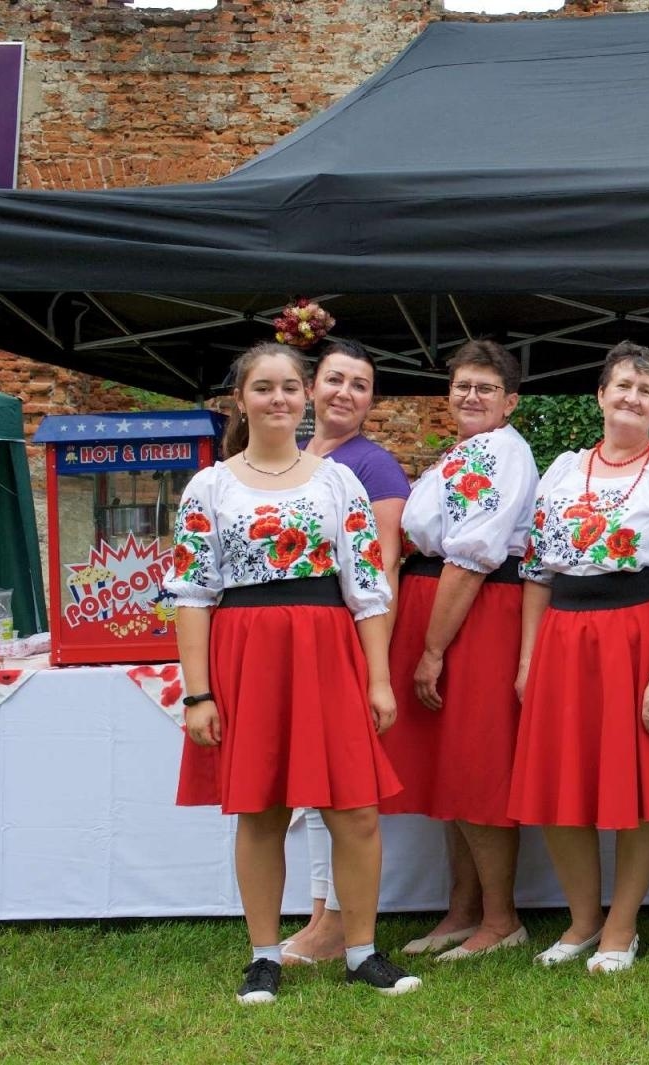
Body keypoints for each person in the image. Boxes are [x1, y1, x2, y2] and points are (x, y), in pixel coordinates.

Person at [169, 341, 419, 1003]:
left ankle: (361, 950)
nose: (277, 398)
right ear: (241, 398)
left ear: (306, 397)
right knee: (259, 810)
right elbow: (192, 595)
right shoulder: (210, 486)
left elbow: (368, 586)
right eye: (263, 387)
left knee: (357, 811)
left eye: (289, 387)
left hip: (327, 649)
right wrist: (198, 693)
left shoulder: (340, 482)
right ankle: (263, 955)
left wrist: (379, 677)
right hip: (246, 654)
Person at [508, 342, 649, 973]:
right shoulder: (563, 472)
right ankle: (580, 922)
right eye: (622, 386)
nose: (631, 398)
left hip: (637, 637)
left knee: (639, 787)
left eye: (645, 391)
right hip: (565, 638)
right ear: (601, 395)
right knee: (561, 783)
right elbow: (538, 573)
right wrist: (527, 659)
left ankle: (621, 927)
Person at [379, 339, 538, 960]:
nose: (471, 396)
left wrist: (434, 648)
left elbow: (472, 556)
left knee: (475, 764)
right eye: (463, 386)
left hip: (473, 612)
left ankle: (501, 918)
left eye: (486, 388)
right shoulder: (465, 452)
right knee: (451, 766)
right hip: (445, 604)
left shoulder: (499, 452)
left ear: (510, 402)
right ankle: (463, 909)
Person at [282, 339, 411, 967]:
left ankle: (339, 921)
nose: (345, 392)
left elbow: (382, 565)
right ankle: (319, 914)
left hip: (345, 637)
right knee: (308, 784)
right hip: (298, 639)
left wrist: (373, 659)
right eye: (335, 379)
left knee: (341, 786)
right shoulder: (291, 458)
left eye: (360, 385)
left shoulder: (374, 467)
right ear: (312, 387)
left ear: (370, 401)